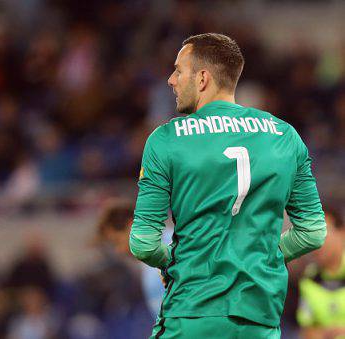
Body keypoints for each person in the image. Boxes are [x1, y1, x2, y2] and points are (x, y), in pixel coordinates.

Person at [129, 33, 327, 338]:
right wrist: (264, 255)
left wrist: (177, 261)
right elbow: (313, 232)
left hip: (192, 311)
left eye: (179, 70)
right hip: (259, 317)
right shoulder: (286, 137)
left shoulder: (166, 140)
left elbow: (143, 243)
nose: (171, 79)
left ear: (203, 78)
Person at [96, 199, 172, 318]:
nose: (119, 250)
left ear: (131, 226)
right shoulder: (150, 267)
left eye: (117, 241)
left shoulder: (177, 247)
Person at [297, 209, 345, 339]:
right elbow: (307, 331)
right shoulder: (308, 279)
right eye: (310, 235)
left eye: (323, 232)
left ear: (342, 233)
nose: (316, 242)